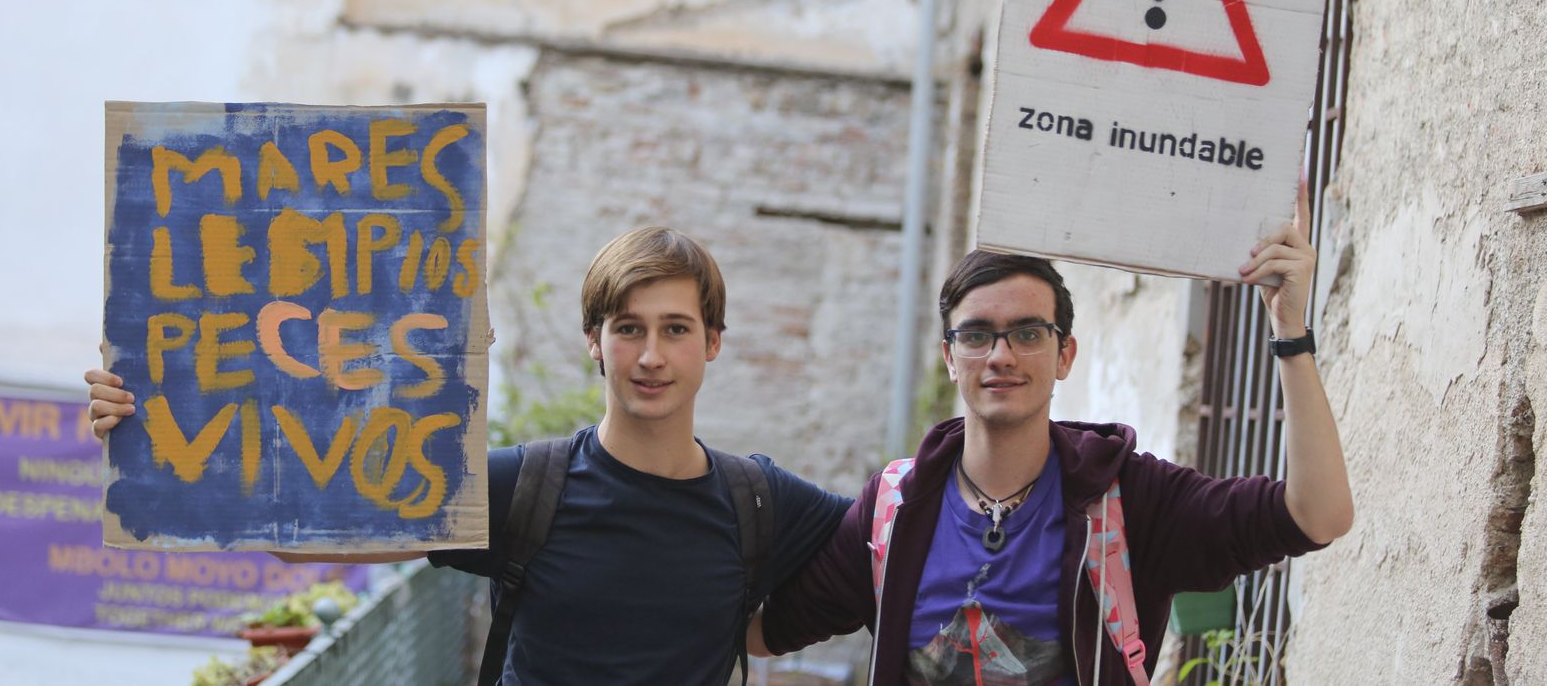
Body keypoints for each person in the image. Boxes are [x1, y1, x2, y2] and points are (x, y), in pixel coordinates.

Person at [88, 226, 851, 685]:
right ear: (594, 341)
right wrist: (161, 425)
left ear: (714, 343)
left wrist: (766, 632)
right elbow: (308, 538)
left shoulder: (761, 501)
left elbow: (898, 554)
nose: (651, 355)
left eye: (676, 329)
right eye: (628, 327)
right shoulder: (525, 487)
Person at [750, 187, 1353, 685]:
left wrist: (1289, 333)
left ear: (1065, 354)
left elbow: (1317, 515)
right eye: (977, 334)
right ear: (950, 357)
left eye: (1028, 333)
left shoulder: (1128, 500)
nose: (1002, 355)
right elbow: (764, 633)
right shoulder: (893, 510)